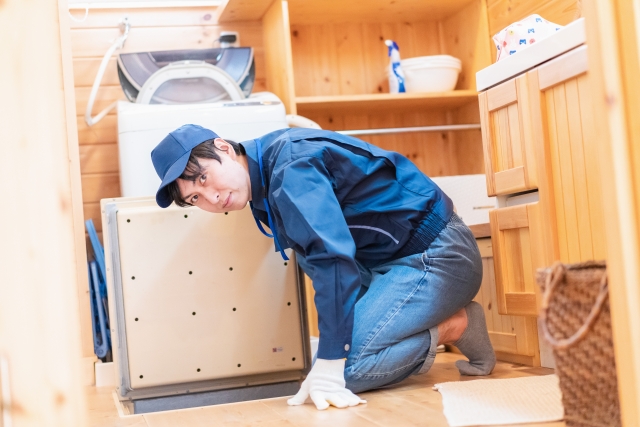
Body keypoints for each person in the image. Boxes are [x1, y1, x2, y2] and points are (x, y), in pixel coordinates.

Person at [150, 124, 496, 411]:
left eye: (204, 178)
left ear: (224, 148)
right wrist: (331, 350)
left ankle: (456, 325)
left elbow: (332, 259)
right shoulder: (264, 181)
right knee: (327, 356)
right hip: (387, 264)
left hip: (436, 255)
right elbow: (320, 260)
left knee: (347, 370)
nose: (211, 198)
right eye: (195, 198)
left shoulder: (289, 169)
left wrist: (333, 359)